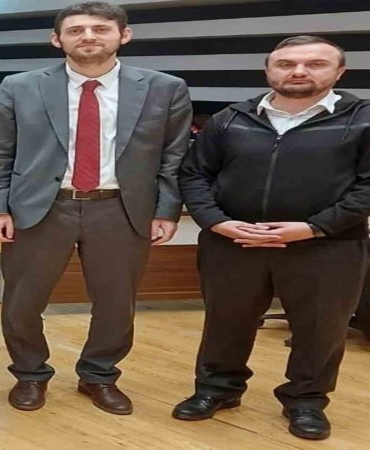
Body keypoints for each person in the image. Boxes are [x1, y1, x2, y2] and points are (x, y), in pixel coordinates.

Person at [0, 2, 192, 414]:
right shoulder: (20, 86)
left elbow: (174, 156)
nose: (89, 36)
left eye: (100, 28)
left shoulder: (164, 88)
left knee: (116, 303)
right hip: (40, 208)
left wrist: (166, 211)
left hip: (120, 209)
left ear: (124, 35)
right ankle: (30, 373)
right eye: (76, 30)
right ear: (56, 39)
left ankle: (99, 375)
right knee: (23, 301)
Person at [175, 36, 370, 441]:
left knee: (321, 328)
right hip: (233, 242)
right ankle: (217, 390)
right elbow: (195, 174)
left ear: (339, 72)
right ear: (268, 70)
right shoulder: (230, 119)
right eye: (286, 64)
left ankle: (306, 402)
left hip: (326, 245)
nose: (298, 71)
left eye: (315, 64)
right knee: (226, 322)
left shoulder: (363, 119)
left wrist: (314, 227)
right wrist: (216, 222)